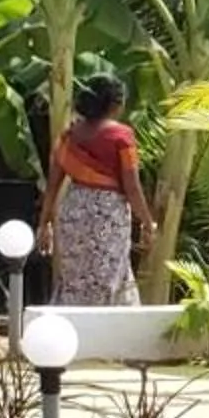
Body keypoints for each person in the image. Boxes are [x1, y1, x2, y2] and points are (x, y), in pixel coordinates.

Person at [38, 75, 153, 307]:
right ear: (115, 105)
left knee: (75, 277)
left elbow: (53, 186)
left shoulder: (69, 136)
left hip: (73, 212)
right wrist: (148, 222)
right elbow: (131, 187)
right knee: (109, 274)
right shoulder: (122, 136)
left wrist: (44, 224)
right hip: (108, 215)